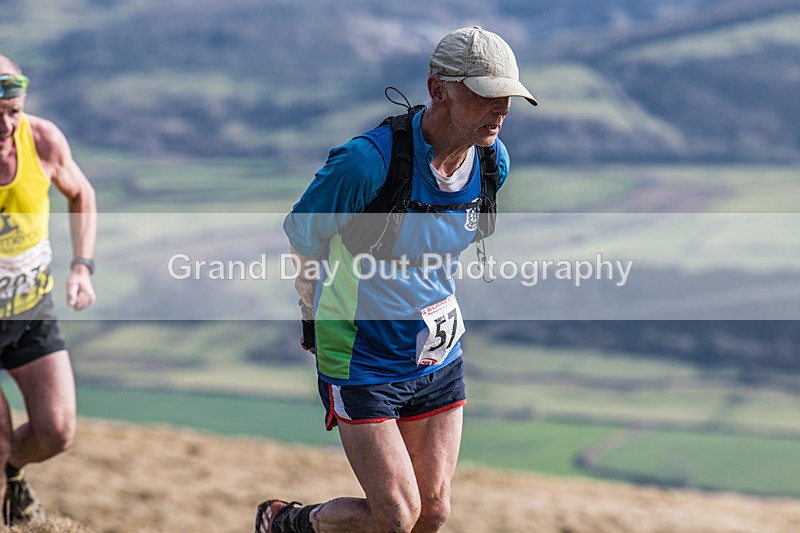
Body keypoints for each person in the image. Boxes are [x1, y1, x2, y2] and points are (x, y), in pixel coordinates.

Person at [257, 27, 537, 533]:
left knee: (432, 513)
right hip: (361, 356)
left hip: (437, 354)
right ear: (439, 90)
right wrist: (310, 308)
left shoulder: (493, 163)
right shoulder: (367, 163)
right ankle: (290, 525)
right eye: (487, 94)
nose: (503, 110)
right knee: (397, 515)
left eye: (509, 96)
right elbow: (302, 231)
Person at [0, 55, 97, 526]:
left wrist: (81, 266)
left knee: (56, 431)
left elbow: (81, 193)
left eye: (13, 110)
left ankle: (12, 477)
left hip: (29, 311)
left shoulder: (42, 139)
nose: (6, 123)